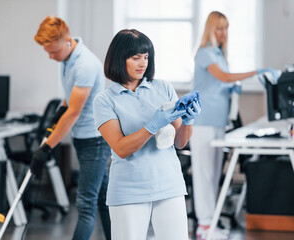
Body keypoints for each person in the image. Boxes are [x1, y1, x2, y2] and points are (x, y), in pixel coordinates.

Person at [93, 29, 201, 240]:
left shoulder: (163, 88)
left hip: (169, 186)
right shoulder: (104, 100)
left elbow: (180, 143)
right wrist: (152, 125)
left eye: (146, 57)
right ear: (119, 59)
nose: (143, 63)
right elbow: (121, 148)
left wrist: (188, 122)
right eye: (136, 58)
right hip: (129, 191)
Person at [190, 11, 280, 240]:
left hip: (218, 122)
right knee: (204, 176)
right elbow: (224, 77)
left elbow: (222, 83)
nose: (223, 33)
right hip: (202, 122)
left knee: (213, 176)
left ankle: (211, 222)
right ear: (211, 29)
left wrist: (231, 90)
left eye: (226, 28)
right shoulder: (205, 53)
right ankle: (204, 226)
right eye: (219, 28)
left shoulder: (220, 54)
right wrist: (256, 72)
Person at [31, 16, 111, 240]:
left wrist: (46, 148)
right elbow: (70, 99)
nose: (50, 56)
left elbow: (74, 112)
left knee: (86, 204)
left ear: (67, 41)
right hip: (84, 138)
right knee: (104, 199)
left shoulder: (85, 64)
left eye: (53, 52)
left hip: (95, 141)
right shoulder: (67, 59)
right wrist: (59, 110)